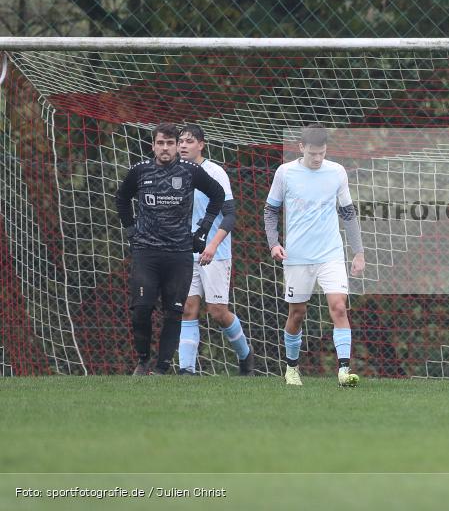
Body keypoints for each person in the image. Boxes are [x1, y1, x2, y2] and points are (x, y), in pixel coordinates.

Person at [116, 123, 226, 375]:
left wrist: (203, 229)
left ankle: (162, 368)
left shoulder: (190, 171)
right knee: (141, 308)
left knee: (174, 312)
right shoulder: (140, 171)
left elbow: (217, 195)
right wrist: (131, 230)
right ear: (153, 146)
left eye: (170, 143)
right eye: (160, 143)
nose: (165, 148)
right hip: (146, 252)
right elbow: (121, 198)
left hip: (179, 254)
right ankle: (143, 360)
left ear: (177, 145)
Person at [264, 125, 365, 386]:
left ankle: (343, 371)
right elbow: (271, 211)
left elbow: (348, 213)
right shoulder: (285, 173)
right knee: (297, 313)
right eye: (312, 154)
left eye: (321, 153)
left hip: (330, 253)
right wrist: (274, 243)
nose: (317, 159)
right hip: (297, 256)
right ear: (301, 148)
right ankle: (292, 368)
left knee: (339, 307)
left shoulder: (336, 172)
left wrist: (358, 252)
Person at [175, 124, 254, 376]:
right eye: (180, 141)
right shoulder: (173, 172)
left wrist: (212, 244)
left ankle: (245, 355)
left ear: (201, 144)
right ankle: (186, 370)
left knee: (217, 313)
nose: (183, 145)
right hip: (185, 253)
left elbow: (229, 216)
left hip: (214, 253)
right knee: (188, 308)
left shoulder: (214, 172)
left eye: (189, 141)